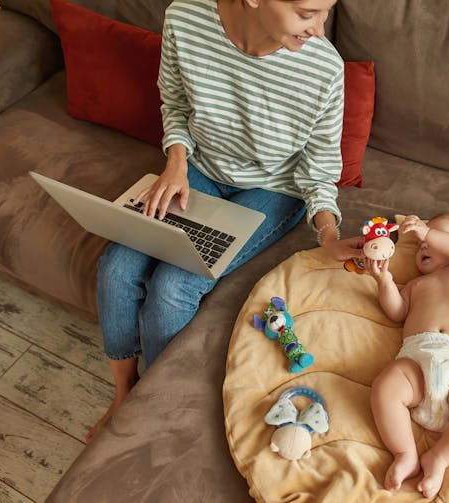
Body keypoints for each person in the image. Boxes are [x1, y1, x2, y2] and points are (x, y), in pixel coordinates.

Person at [86, 0, 363, 443]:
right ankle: (125, 394)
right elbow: (174, 100)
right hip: (199, 168)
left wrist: (327, 233)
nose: (319, 28)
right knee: (116, 268)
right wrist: (176, 160)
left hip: (272, 189)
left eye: (325, 12)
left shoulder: (324, 67)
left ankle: (156, 411)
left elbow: (318, 168)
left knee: (173, 287)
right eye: (308, 12)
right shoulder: (186, 17)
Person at [364, 214, 449, 499]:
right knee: (386, 386)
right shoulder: (416, 285)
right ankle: (405, 453)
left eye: (434, 238)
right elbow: (397, 312)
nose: (422, 244)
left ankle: (439, 458)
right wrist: (384, 280)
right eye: (422, 241)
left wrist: (427, 231)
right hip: (416, 358)